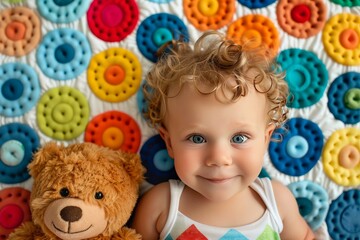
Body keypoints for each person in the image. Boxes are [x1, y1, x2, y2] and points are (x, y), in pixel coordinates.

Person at [132, 31, 315, 240]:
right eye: (197, 138)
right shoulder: (161, 206)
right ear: (169, 143)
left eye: (239, 138)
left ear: (265, 140)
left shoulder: (276, 202)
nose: (219, 158)